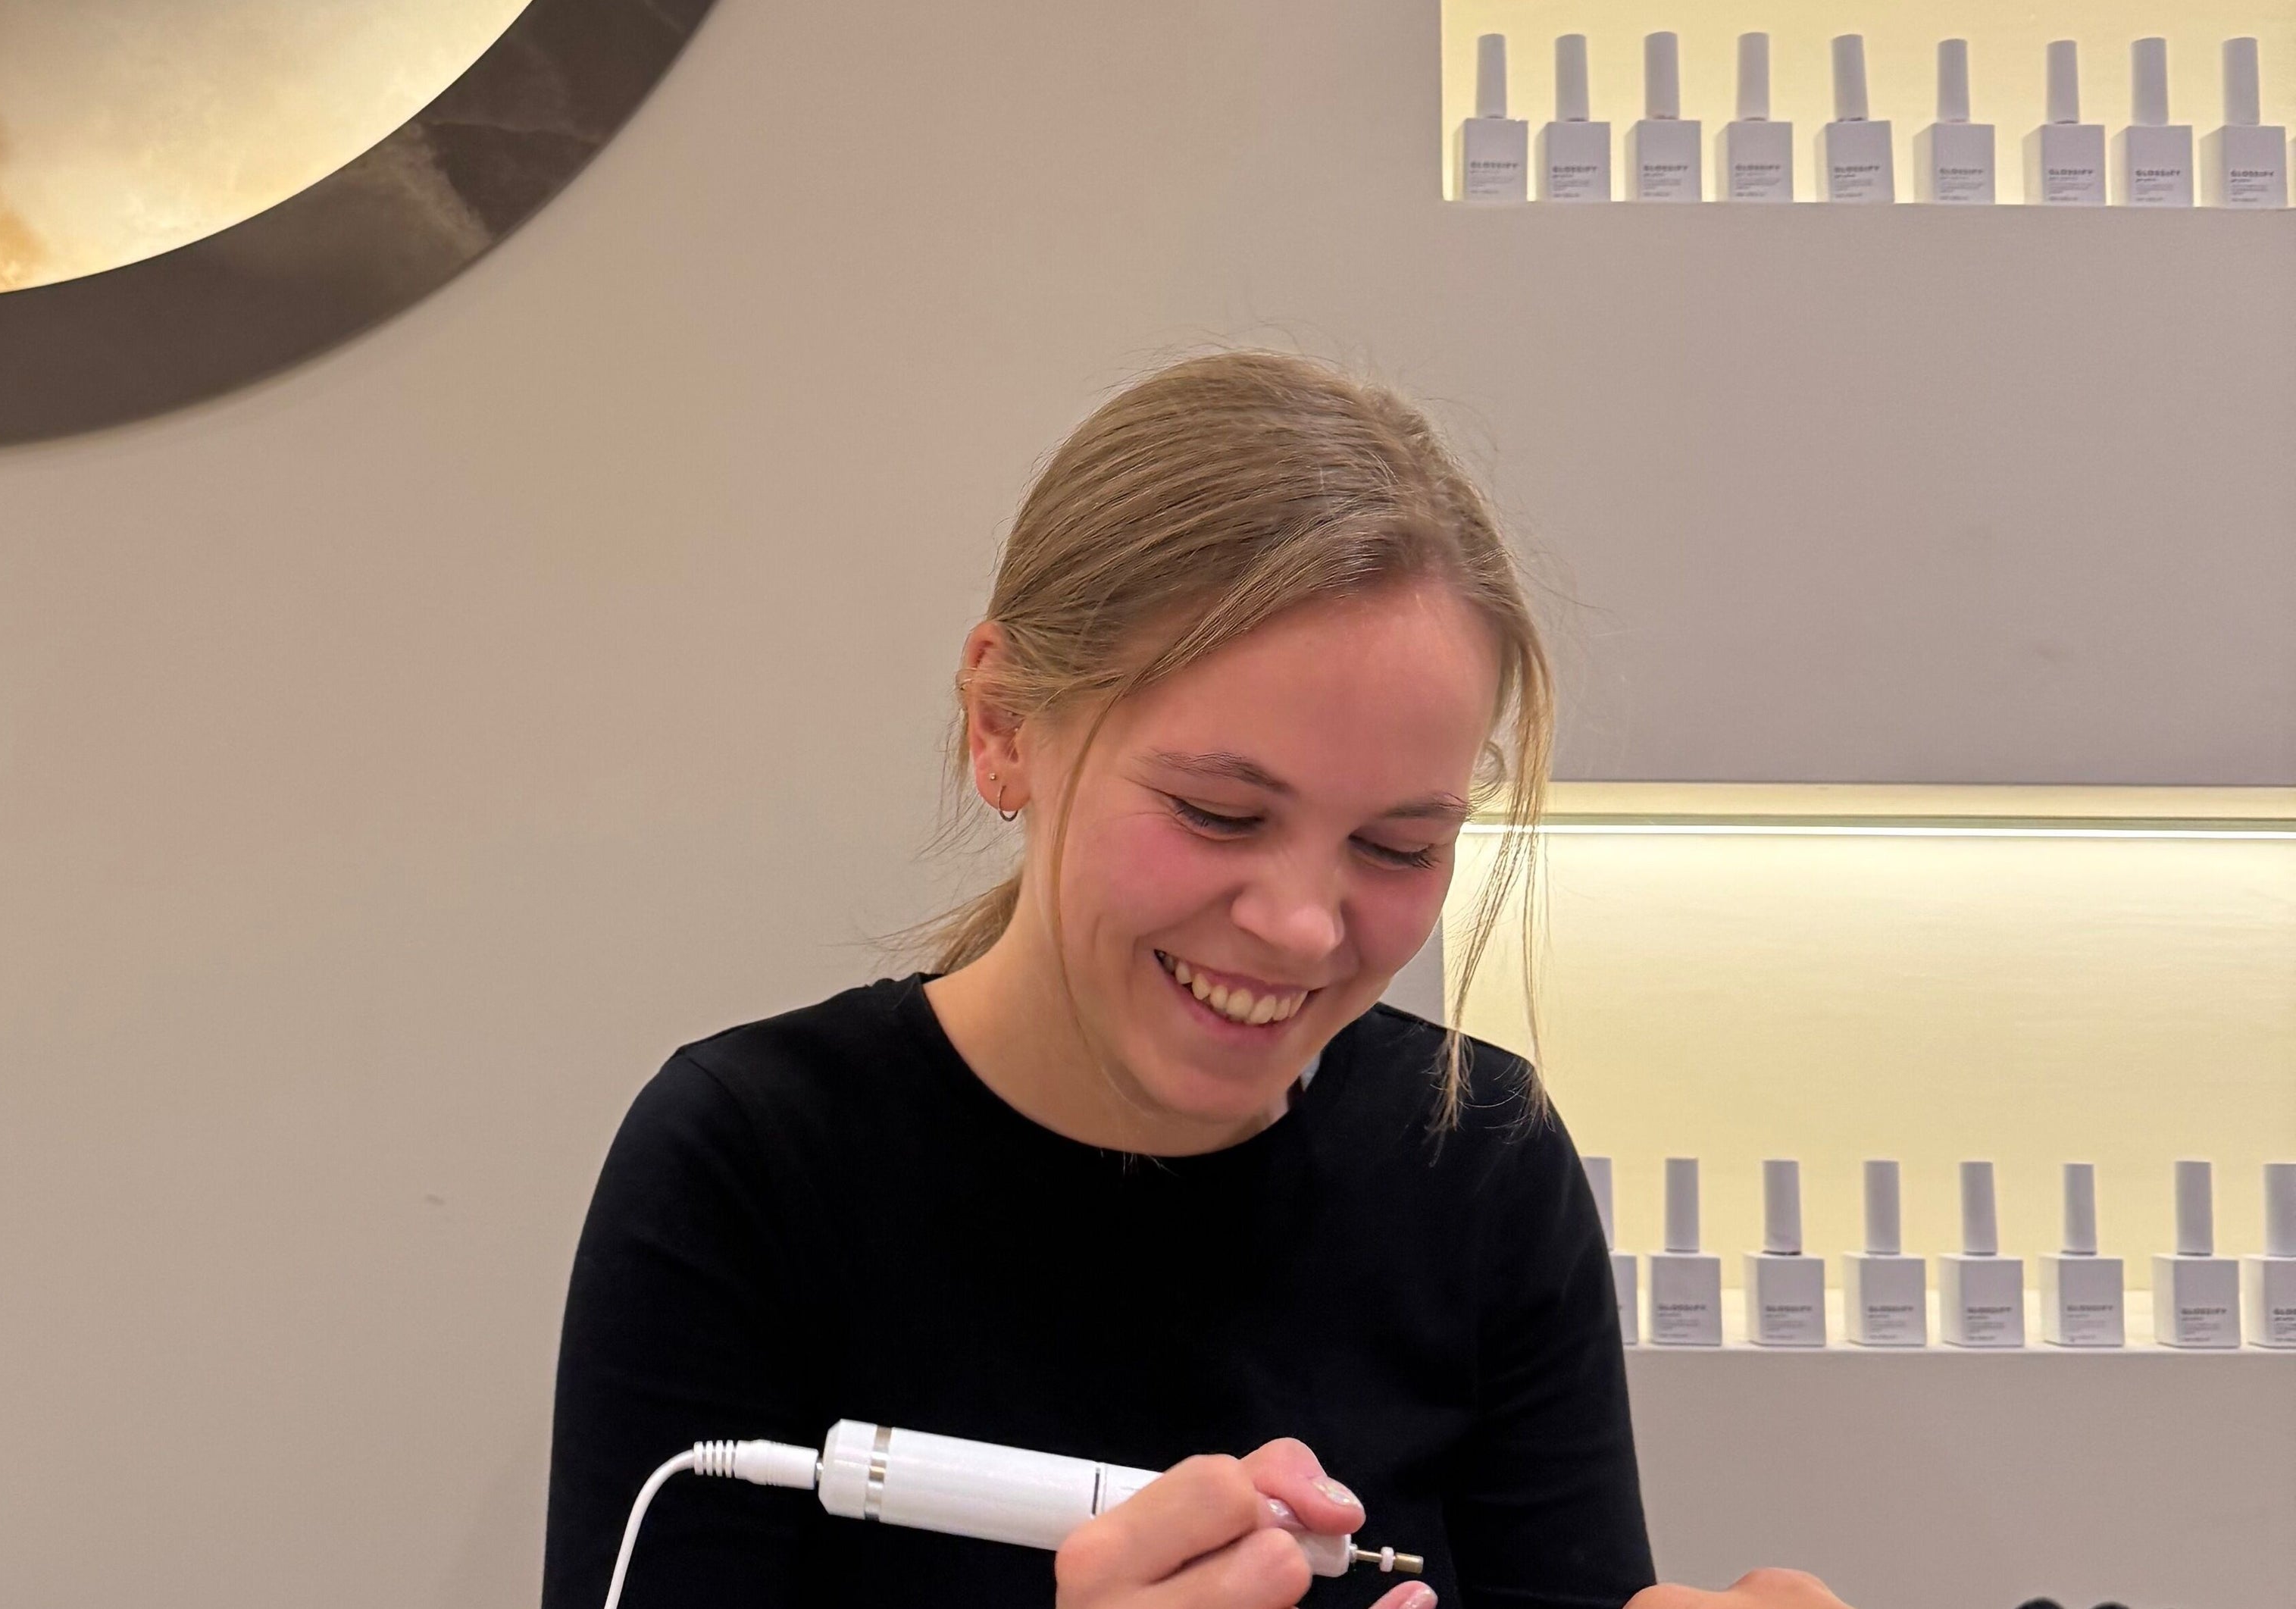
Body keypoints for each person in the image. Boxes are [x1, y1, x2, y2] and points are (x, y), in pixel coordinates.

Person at [540, 352, 1853, 1609]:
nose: (1296, 926)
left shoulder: (1478, 1165)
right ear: (1004, 727)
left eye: (1400, 845)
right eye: (1221, 814)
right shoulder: (754, 1168)